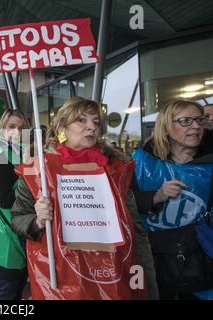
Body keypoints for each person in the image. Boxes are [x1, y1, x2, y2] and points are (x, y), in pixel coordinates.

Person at [11, 97, 158, 300]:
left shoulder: (117, 169)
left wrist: (146, 282)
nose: (91, 127)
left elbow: (135, 230)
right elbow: (18, 218)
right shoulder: (37, 172)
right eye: (81, 120)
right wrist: (37, 221)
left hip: (113, 276)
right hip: (63, 278)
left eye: (96, 122)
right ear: (63, 127)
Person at [132, 100, 213, 299]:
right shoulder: (141, 161)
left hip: (200, 260)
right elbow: (127, 205)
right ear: (166, 127)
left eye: (199, 120)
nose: (196, 126)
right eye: (185, 121)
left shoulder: (209, 162)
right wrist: (156, 196)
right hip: (153, 260)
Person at [0, 109, 30, 300]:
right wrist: (29, 173)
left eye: (21, 127)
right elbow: (5, 199)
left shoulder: (15, 151)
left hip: (15, 227)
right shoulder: (0, 155)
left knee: (16, 288)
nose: (17, 132)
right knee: (8, 291)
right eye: (11, 127)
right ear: (2, 128)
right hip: (5, 230)